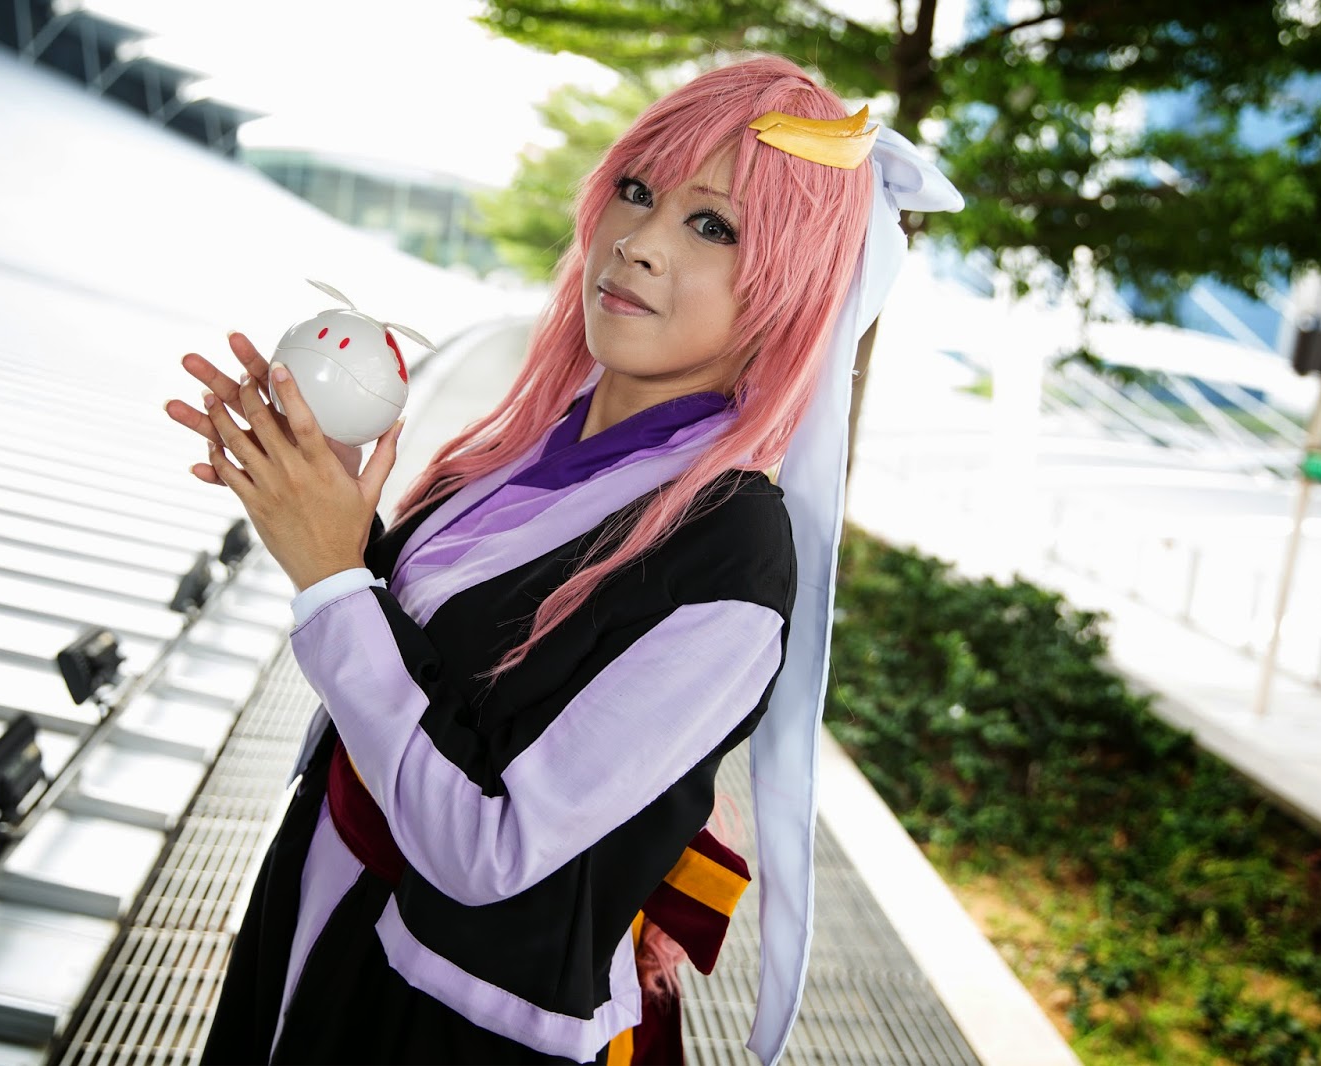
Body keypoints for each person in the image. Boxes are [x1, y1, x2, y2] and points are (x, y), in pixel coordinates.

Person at [164, 54, 960, 1066]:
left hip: (438, 1021)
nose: (638, 243)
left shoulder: (732, 554)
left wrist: (331, 578)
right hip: (322, 906)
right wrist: (323, 511)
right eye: (637, 191)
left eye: (713, 226)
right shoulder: (529, 442)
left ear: (791, 285)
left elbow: (490, 847)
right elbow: (432, 663)